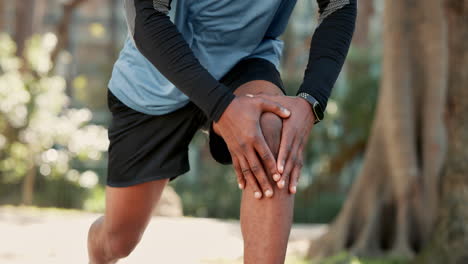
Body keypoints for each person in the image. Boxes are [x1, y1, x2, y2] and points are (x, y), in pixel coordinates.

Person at [87, 0, 356, 263]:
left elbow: (338, 5)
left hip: (244, 62)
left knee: (271, 128)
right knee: (118, 241)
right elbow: (146, 16)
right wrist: (221, 106)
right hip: (157, 75)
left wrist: (311, 101)